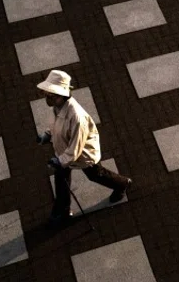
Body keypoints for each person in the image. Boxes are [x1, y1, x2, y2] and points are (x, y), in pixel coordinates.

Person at [35, 70, 132, 227]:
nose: (47, 97)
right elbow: (56, 127)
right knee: (61, 183)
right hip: (63, 154)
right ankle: (63, 211)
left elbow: (75, 150)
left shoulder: (77, 117)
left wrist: (59, 161)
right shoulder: (57, 108)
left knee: (96, 174)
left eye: (50, 95)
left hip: (82, 154)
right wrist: (47, 135)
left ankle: (122, 184)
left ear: (62, 95)